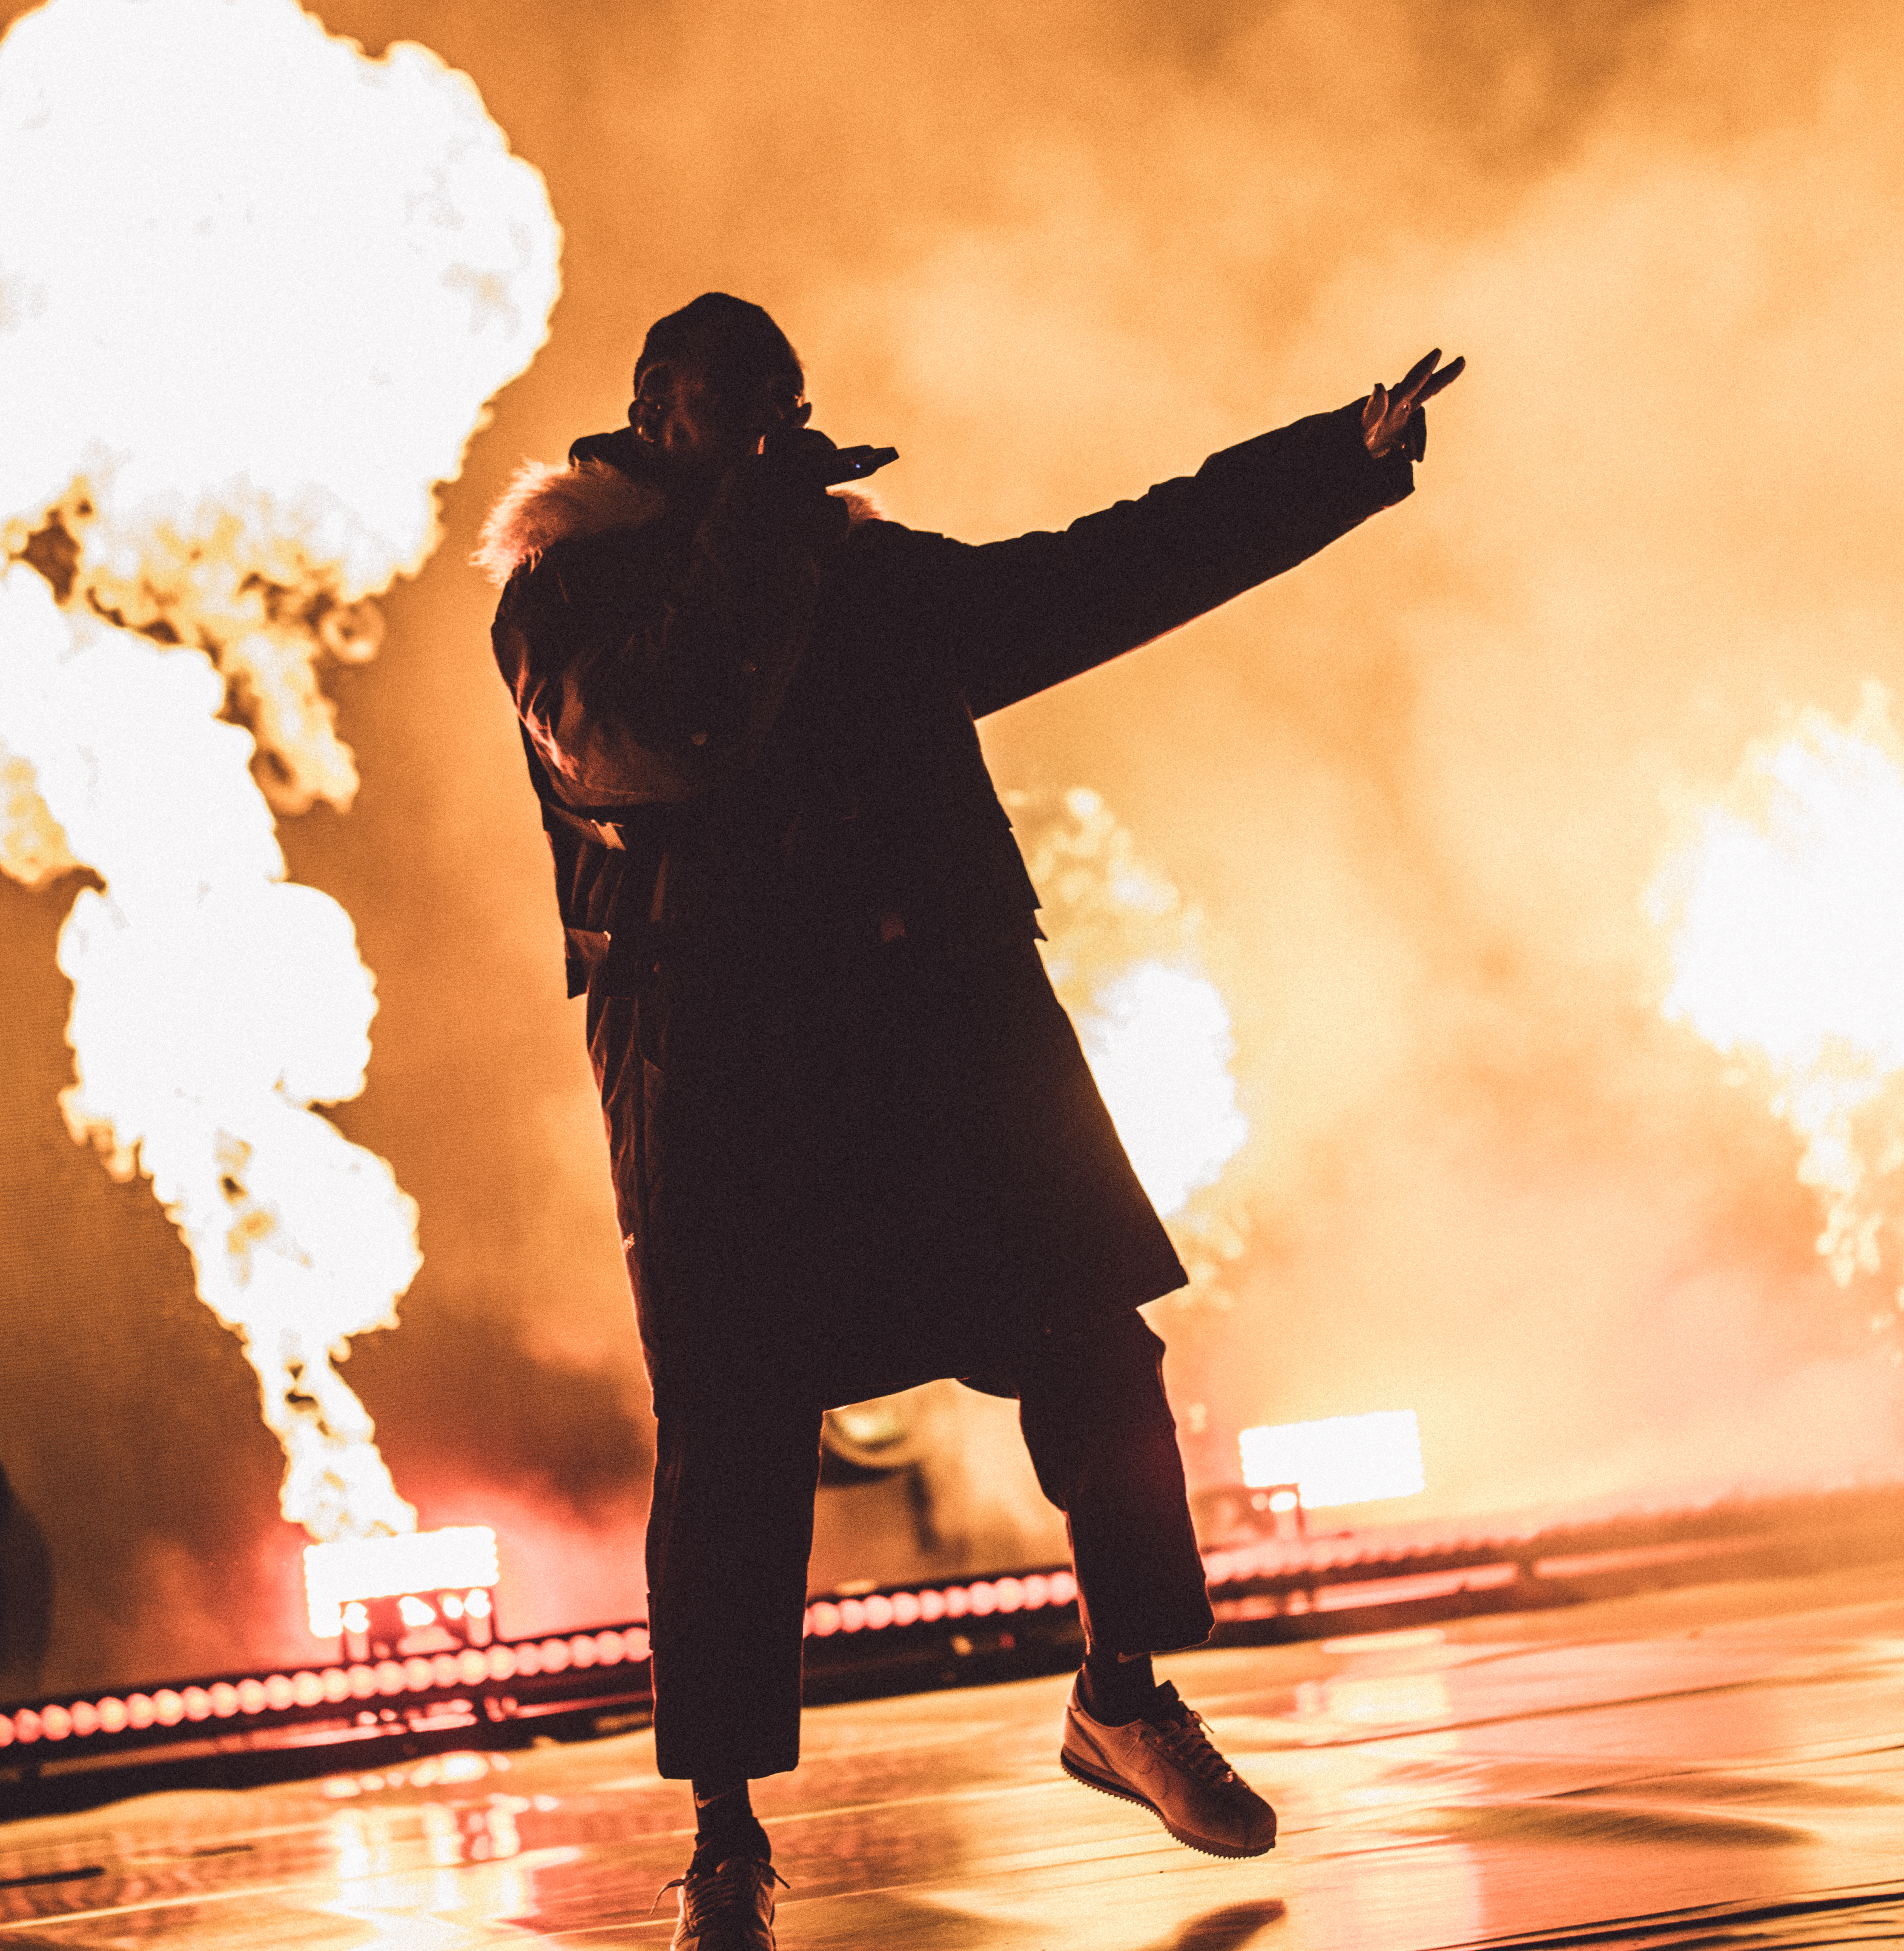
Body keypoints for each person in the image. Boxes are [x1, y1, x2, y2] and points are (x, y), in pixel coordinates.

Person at [478, 293, 1463, 1951]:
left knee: (1094, 1350)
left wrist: (1324, 469)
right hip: (723, 1083)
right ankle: (726, 1839)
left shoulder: (839, 568)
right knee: (733, 1443)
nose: (765, 435)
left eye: (782, 410)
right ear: (653, 410)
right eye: (733, 409)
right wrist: (758, 531)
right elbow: (662, 739)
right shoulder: (566, 594)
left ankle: (1122, 1698)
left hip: (930, 1041)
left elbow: (1086, 576)